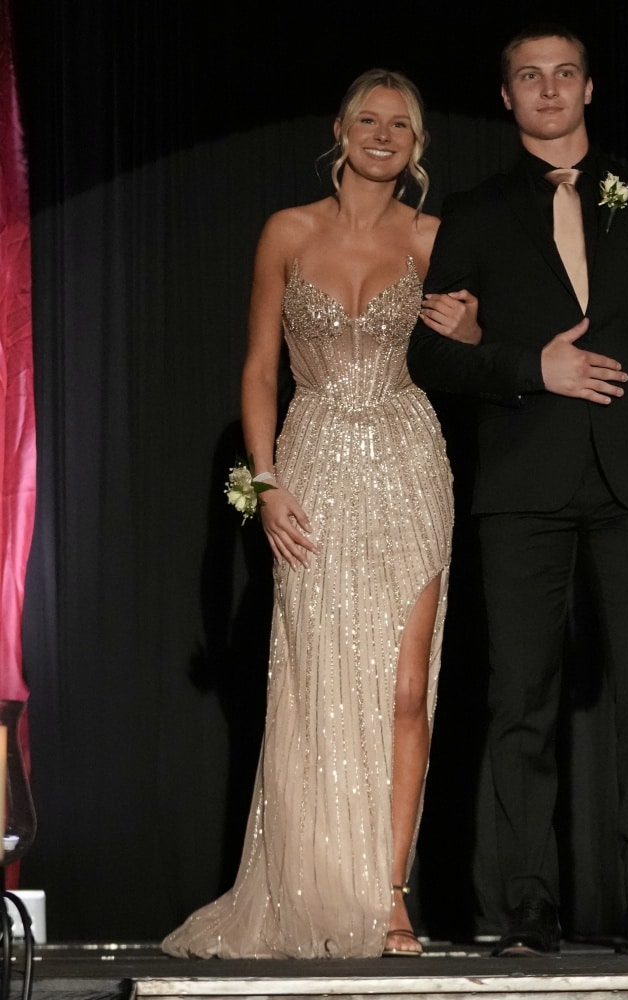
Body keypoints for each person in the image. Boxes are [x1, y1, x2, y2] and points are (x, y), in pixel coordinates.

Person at [408, 24, 628, 956]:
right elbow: (430, 353)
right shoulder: (476, 211)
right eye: (528, 76)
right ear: (506, 97)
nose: (548, 89)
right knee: (521, 699)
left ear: (589, 88)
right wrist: (528, 367)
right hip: (522, 480)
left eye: (564, 74)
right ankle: (526, 907)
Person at [163, 68, 476, 960]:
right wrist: (264, 484)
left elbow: (476, 348)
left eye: (400, 125)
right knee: (317, 684)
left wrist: (469, 331)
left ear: (417, 145)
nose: (382, 135)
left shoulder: (433, 237)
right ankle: (313, 887)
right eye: (368, 120)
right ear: (339, 129)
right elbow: (259, 367)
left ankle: (390, 896)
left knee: (407, 691)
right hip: (313, 462)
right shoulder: (288, 231)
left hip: (410, 461)